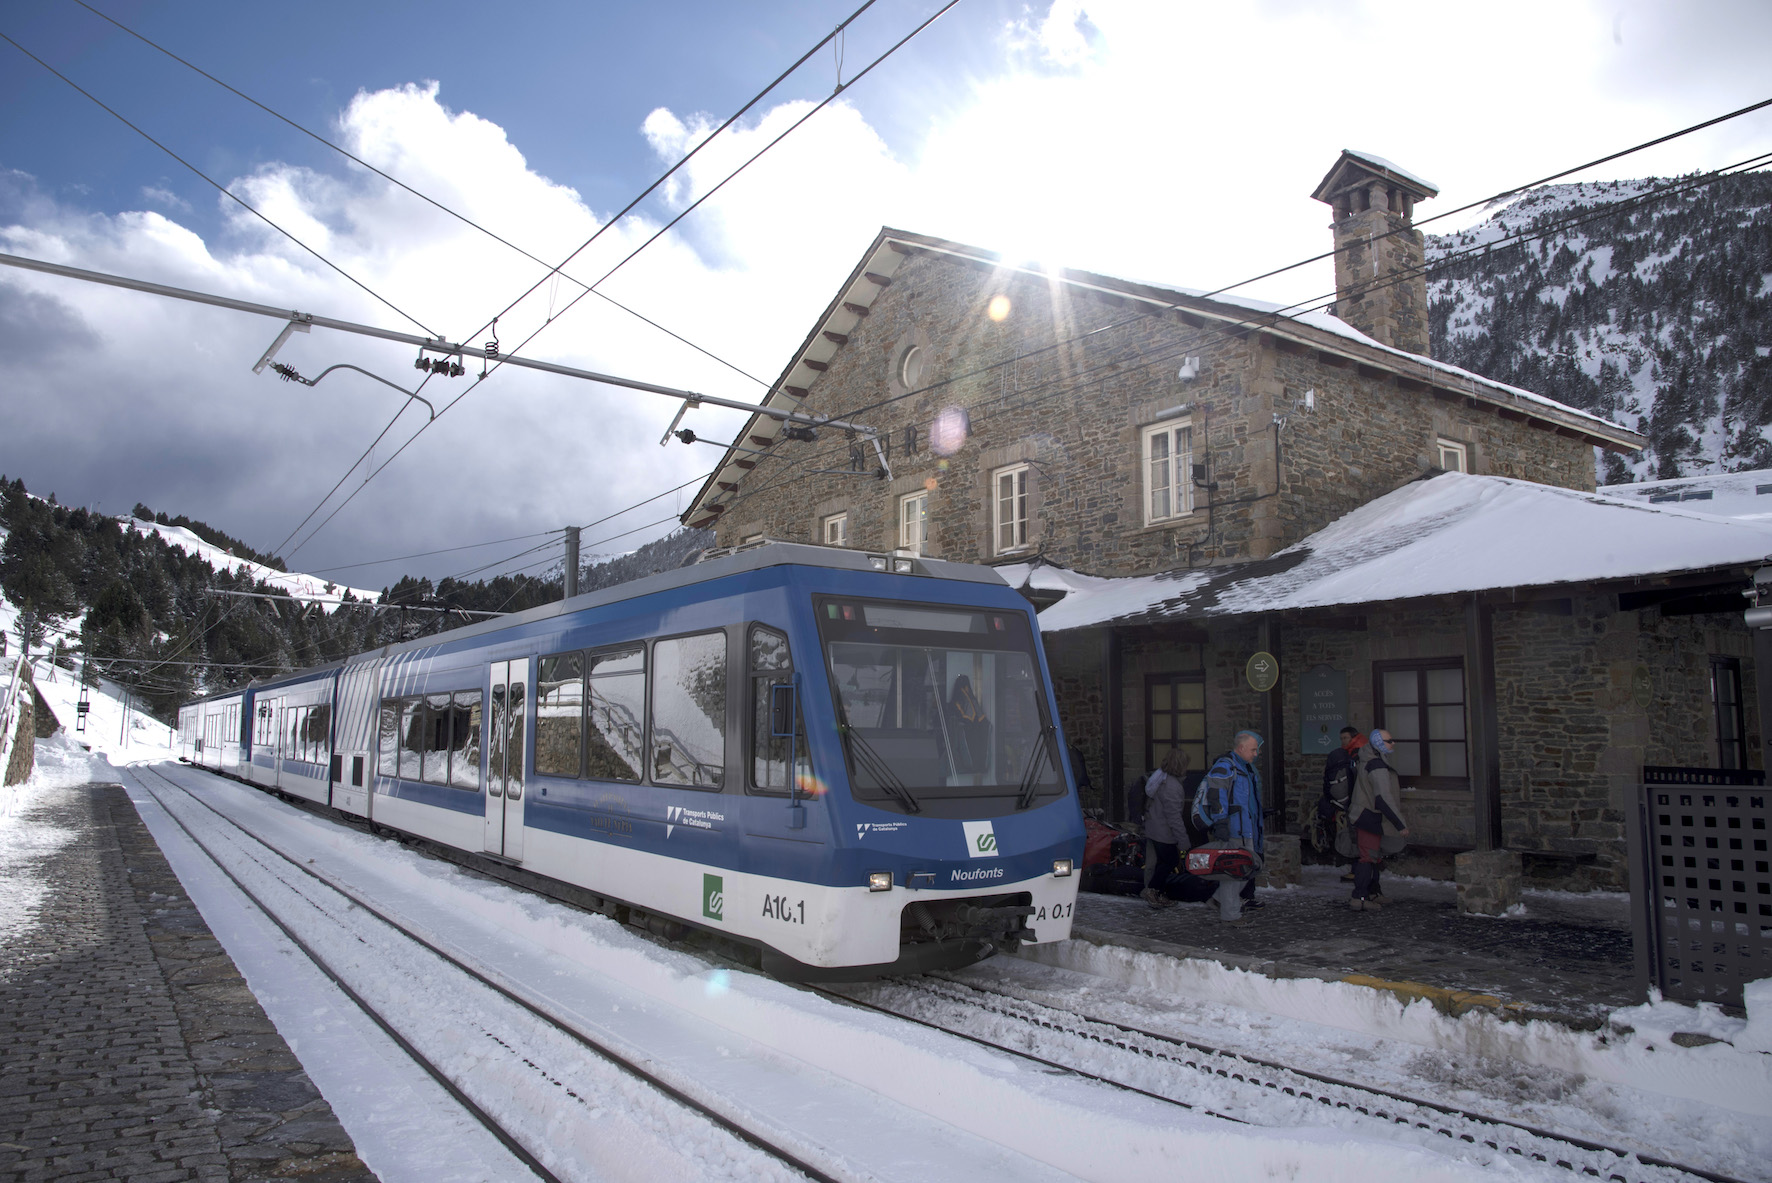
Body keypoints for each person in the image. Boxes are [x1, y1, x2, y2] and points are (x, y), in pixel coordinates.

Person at [1193, 730, 1264, 923]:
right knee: (1235, 872)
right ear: (1241, 748)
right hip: (1234, 830)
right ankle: (1231, 916)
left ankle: (1217, 901)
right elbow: (1217, 797)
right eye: (1253, 750)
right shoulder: (1225, 767)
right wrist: (1221, 822)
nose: (1256, 754)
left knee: (1245, 871)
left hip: (1245, 828)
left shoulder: (1244, 768)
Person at [1349, 729, 1409, 911]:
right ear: (1379, 744)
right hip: (1368, 816)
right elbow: (1382, 798)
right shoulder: (1376, 766)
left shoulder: (1369, 760)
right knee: (1367, 858)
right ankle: (1359, 897)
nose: (1393, 743)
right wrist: (1400, 824)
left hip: (1366, 815)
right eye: (1389, 741)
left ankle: (1374, 893)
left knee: (1373, 858)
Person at [1140, 747, 1191, 908]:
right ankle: (1153, 891)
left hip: (1152, 827)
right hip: (1163, 831)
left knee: (1157, 863)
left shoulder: (1160, 779)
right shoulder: (1172, 786)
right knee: (1171, 860)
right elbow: (1174, 817)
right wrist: (1184, 842)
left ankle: (1157, 894)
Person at [1319, 725, 1362, 880]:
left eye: (1346, 738)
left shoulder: (1356, 754)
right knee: (1355, 835)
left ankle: (1358, 871)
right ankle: (1358, 869)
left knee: (1357, 836)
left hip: (1356, 802)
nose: (1343, 741)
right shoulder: (1349, 755)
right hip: (1352, 802)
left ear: (1353, 737)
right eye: (1342, 738)